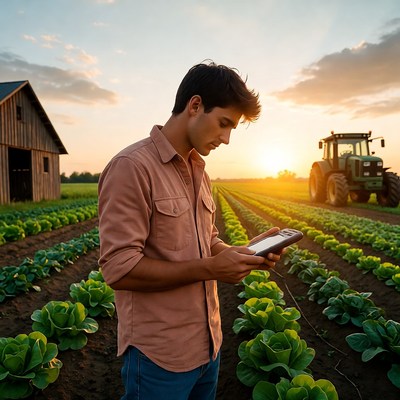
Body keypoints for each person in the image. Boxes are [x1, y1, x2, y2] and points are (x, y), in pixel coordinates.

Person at [98, 61, 282, 400]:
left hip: (208, 348)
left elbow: (207, 240)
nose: (226, 139)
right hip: (159, 358)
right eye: (223, 124)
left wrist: (241, 254)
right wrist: (211, 268)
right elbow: (118, 269)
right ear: (195, 106)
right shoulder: (132, 168)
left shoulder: (201, 171)